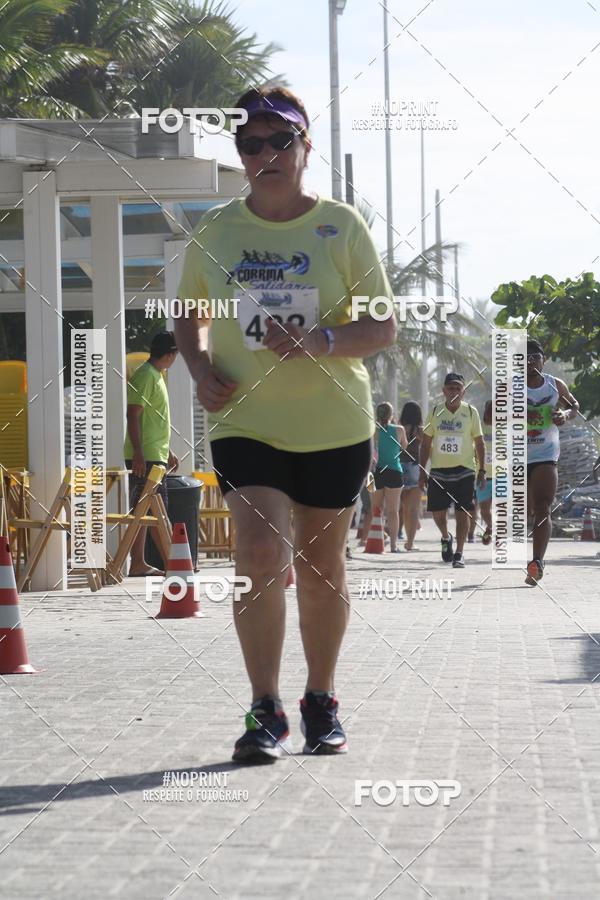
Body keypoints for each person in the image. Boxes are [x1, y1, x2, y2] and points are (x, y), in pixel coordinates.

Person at [174, 85, 395, 763]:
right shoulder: (217, 230)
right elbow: (189, 313)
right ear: (240, 155)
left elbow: (382, 326)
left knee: (322, 565)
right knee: (260, 552)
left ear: (305, 146)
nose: (265, 153)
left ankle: (320, 698)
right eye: (250, 143)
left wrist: (321, 341)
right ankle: (264, 708)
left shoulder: (340, 226)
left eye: (280, 140)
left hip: (334, 423)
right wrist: (199, 367)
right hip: (246, 419)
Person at [124, 331, 179, 576]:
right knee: (157, 511)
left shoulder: (157, 375)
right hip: (145, 456)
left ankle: (138, 562)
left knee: (143, 510)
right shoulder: (146, 375)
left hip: (155, 453)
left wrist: (168, 451)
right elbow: (133, 414)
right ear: (169, 354)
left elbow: (154, 420)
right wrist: (138, 452)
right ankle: (174, 564)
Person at [418, 373, 486, 568]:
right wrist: (422, 472)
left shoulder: (471, 412)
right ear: (444, 391)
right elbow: (426, 444)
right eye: (450, 388)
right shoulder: (435, 412)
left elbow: (479, 443)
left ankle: (459, 553)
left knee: (462, 512)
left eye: (458, 388)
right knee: (438, 513)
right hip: (439, 471)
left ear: (463, 392)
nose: (454, 391)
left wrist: (482, 470)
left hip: (465, 470)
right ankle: (446, 536)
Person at [526, 339, 579, 585]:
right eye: (524, 358)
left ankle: (537, 561)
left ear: (543, 360)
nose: (530, 362)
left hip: (545, 455)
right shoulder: (510, 387)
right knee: (525, 511)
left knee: (543, 506)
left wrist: (565, 414)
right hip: (517, 455)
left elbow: (574, 405)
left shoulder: (555, 385)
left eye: (535, 357)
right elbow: (489, 414)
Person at [368, 402, 406, 553]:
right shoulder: (400, 429)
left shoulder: (373, 430)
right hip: (395, 471)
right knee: (393, 511)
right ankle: (394, 545)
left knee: (376, 509)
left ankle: (381, 536)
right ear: (392, 414)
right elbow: (404, 447)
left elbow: (370, 449)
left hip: (378, 471)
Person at [399, 400, 424, 551]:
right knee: (413, 509)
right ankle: (410, 542)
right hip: (415, 466)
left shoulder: (399, 428)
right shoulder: (420, 430)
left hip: (399, 467)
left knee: (403, 508)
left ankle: (404, 537)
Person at [475, 399, 493, 545]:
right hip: (483, 475)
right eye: (489, 411)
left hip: (502, 475)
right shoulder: (478, 428)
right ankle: (491, 527)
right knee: (484, 510)